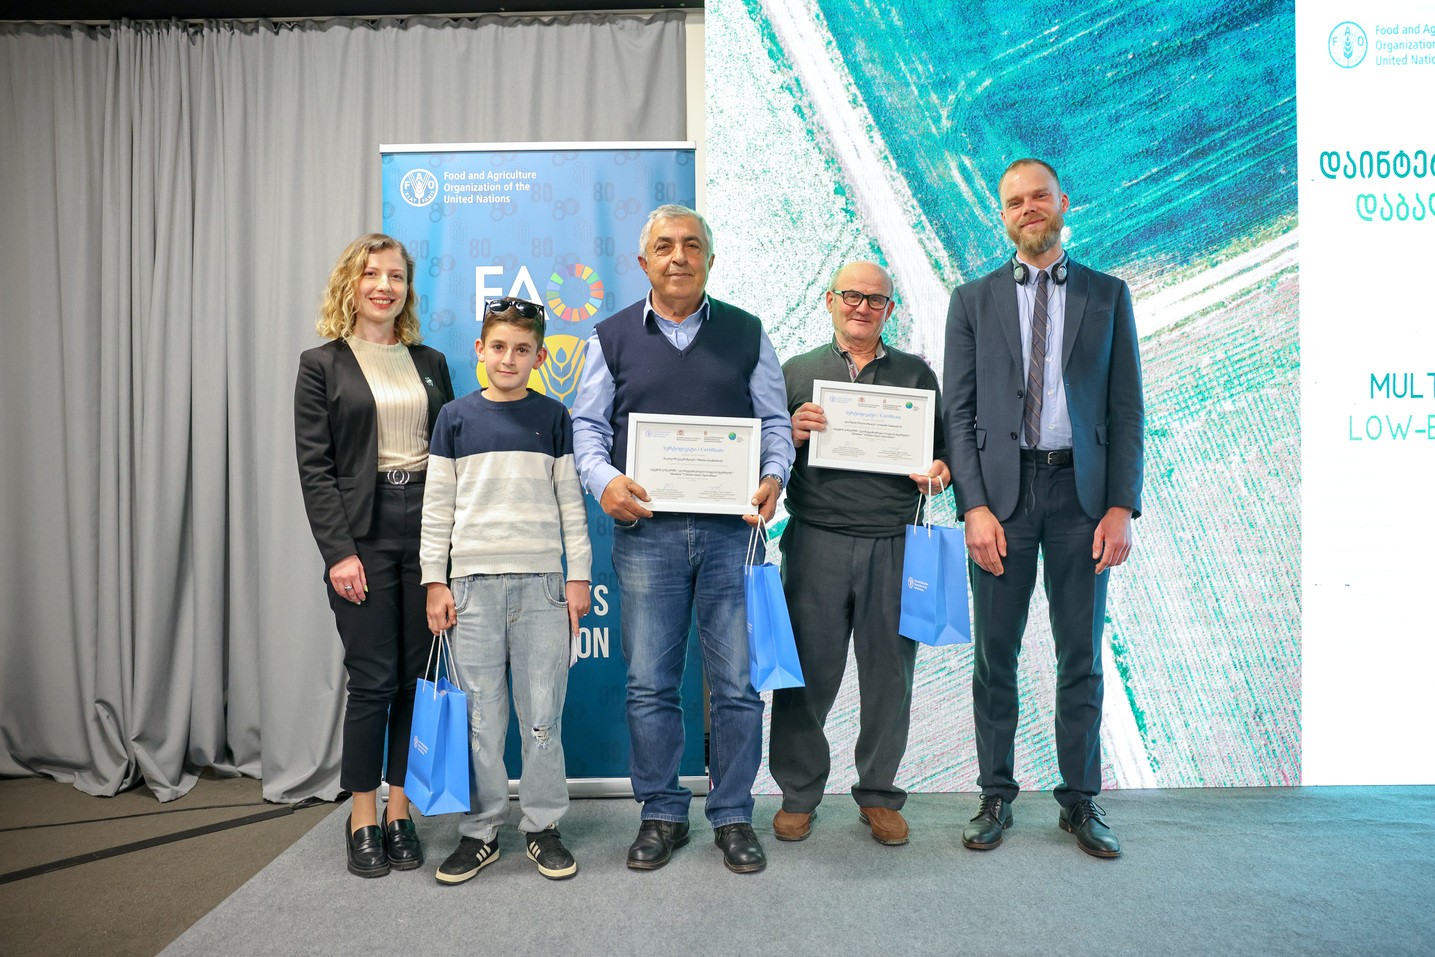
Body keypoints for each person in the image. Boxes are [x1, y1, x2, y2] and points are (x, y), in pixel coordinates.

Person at [571, 204, 795, 874]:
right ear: (644, 262)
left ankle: (732, 814)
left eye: (691, 246)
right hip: (647, 537)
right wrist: (604, 480)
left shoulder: (747, 332)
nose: (678, 257)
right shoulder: (609, 337)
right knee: (649, 684)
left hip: (733, 537)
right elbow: (587, 427)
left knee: (737, 686)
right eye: (665, 246)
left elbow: (774, 422)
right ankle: (661, 811)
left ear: (709, 260)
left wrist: (773, 475)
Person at [942, 158, 1144, 858]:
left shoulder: (1107, 294)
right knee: (994, 655)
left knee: (1079, 654)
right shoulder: (971, 301)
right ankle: (995, 793)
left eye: (1039, 197)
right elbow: (959, 414)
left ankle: (1079, 799)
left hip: (1081, 501)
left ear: (1063, 202)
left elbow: (1126, 409)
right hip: (1002, 501)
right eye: (1014, 202)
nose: (1027, 208)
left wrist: (1120, 505)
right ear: (1002, 215)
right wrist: (973, 506)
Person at [769, 261, 950, 846]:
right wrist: (788, 433)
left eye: (876, 300)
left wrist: (940, 471)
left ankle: (878, 792)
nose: (862, 307)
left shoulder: (916, 375)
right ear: (830, 300)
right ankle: (799, 794)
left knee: (889, 676)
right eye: (852, 295)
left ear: (889, 310)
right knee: (806, 675)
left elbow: (944, 452)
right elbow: (763, 455)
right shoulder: (797, 372)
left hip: (894, 543)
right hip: (815, 540)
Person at [295, 233, 455, 878]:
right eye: (371, 275)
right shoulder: (322, 364)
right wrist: (339, 552)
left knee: (417, 677)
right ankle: (362, 814)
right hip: (363, 531)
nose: (384, 286)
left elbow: (449, 454)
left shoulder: (431, 362)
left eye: (396, 276)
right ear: (350, 284)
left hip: (429, 525)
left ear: (407, 289)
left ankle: (399, 810)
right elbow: (316, 468)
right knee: (373, 679)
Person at [420, 297, 592, 884]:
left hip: (543, 587)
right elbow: (436, 508)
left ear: (540, 357)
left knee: (542, 719)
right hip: (470, 590)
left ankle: (543, 826)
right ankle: (480, 831)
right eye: (498, 347)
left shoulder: (554, 417)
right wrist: (435, 580)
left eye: (522, 350)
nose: (508, 359)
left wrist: (578, 576)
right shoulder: (454, 418)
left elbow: (572, 506)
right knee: (480, 722)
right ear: (480, 350)